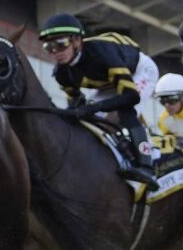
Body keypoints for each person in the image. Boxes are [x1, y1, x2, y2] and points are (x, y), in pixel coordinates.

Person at [37, 13, 160, 188]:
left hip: (138, 70)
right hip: (107, 82)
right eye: (49, 47)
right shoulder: (62, 74)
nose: (56, 52)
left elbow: (131, 96)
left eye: (61, 44)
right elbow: (76, 107)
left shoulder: (103, 54)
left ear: (77, 41)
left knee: (125, 110)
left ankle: (147, 165)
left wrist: (92, 109)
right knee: (84, 119)